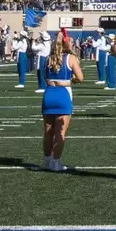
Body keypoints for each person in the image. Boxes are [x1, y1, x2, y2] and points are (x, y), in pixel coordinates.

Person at [40, 30, 84, 172]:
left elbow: (44, 76)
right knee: (60, 132)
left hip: (49, 94)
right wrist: (71, 81)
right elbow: (81, 78)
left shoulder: (48, 58)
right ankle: (56, 163)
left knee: (48, 132)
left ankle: (47, 161)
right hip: (63, 94)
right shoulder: (70, 58)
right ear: (66, 44)